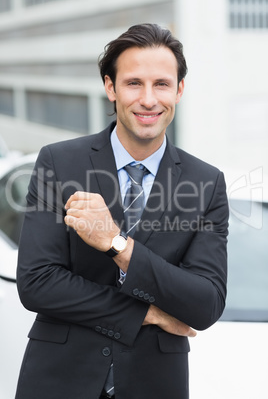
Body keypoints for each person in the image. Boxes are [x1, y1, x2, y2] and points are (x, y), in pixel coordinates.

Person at [15, 23, 228, 399]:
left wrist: (117, 244)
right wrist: (149, 313)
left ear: (179, 90)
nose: (148, 99)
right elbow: (37, 283)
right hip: (58, 381)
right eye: (134, 83)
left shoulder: (207, 183)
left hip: (155, 384)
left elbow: (205, 302)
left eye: (162, 84)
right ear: (110, 87)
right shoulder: (58, 163)